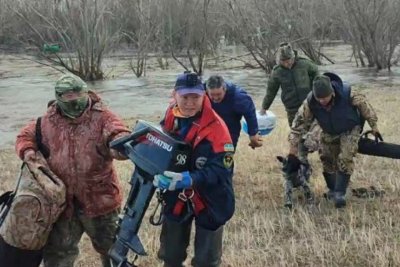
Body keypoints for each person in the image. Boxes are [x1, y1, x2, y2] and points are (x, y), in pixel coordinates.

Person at [15, 74, 130, 267]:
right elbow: (24, 137)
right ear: (59, 97)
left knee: (113, 253)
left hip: (101, 200)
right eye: (67, 95)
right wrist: (28, 152)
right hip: (62, 204)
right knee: (58, 257)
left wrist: (121, 146)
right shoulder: (46, 121)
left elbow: (118, 133)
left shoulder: (103, 117)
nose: (74, 99)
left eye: (77, 93)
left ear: (86, 92)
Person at [153, 72, 235, 267]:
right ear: (174, 95)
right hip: (176, 195)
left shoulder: (218, 129)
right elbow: (159, 143)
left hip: (210, 198)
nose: (190, 103)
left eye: (195, 97)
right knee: (170, 256)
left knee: (206, 261)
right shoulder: (170, 116)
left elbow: (222, 170)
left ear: (204, 95)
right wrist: (154, 169)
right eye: (185, 97)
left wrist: (190, 179)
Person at [288, 72, 380, 208]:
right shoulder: (310, 102)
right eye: (319, 98)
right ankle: (332, 189)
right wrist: (293, 148)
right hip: (328, 130)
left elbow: (365, 107)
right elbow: (298, 125)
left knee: (345, 157)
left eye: (325, 97)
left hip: (350, 128)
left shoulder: (348, 92)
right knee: (326, 158)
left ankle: (340, 193)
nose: (322, 101)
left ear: (332, 92)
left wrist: (374, 126)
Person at [260, 42, 319, 163]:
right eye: (284, 61)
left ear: (293, 57)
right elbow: (271, 91)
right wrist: (264, 107)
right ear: (279, 61)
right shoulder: (277, 72)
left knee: (314, 131)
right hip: (292, 107)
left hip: (310, 104)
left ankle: (319, 152)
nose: (287, 63)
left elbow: (317, 76)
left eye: (289, 60)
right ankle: (302, 158)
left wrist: (316, 93)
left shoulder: (305, 64)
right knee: (296, 133)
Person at [205, 75, 263, 150]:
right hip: (209, 129)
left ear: (225, 89)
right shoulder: (201, 93)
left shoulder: (238, 97)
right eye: (212, 95)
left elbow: (250, 114)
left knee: (227, 156)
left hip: (230, 132)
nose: (215, 98)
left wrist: (253, 134)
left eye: (218, 94)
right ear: (207, 91)